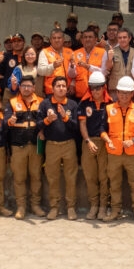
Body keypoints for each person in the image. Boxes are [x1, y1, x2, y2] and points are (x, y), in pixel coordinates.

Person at [101, 76, 134, 223]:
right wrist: (108, 140)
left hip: (132, 154)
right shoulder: (109, 109)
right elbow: (102, 129)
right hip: (113, 154)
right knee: (114, 184)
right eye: (121, 92)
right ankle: (115, 212)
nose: (124, 95)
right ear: (117, 93)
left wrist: (133, 140)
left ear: (132, 93)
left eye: (127, 93)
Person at [37, 76, 80, 220]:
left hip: (69, 145)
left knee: (71, 177)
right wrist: (47, 120)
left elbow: (76, 128)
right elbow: (37, 125)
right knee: (52, 177)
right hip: (52, 146)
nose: (61, 88)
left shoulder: (72, 105)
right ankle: (54, 207)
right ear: (52, 88)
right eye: (58, 86)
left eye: (63, 86)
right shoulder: (45, 104)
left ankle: (71, 207)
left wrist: (65, 117)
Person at [5, 76, 45, 219]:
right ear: (19, 88)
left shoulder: (41, 102)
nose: (26, 88)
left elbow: (45, 121)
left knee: (36, 177)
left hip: (35, 146)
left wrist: (42, 131)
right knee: (19, 178)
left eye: (29, 86)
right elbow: (5, 122)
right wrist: (10, 120)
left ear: (33, 88)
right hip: (18, 146)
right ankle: (21, 207)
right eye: (23, 86)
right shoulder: (12, 102)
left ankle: (35, 206)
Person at [78, 71, 113, 220]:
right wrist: (88, 141)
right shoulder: (84, 103)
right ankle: (94, 205)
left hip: (105, 143)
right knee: (90, 176)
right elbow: (82, 124)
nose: (95, 91)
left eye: (98, 88)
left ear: (104, 87)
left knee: (104, 176)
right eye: (92, 88)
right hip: (89, 142)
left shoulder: (110, 103)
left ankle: (103, 207)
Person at [70, 28, 108, 100]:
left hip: (97, 93)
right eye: (85, 37)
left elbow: (104, 72)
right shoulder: (75, 53)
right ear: (82, 40)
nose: (87, 39)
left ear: (96, 39)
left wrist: (88, 67)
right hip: (80, 94)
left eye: (90, 37)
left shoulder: (103, 52)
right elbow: (72, 75)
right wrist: (71, 67)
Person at [38, 28, 76, 97]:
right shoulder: (44, 52)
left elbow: (76, 71)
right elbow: (40, 71)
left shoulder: (70, 51)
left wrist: (73, 84)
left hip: (68, 91)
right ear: (50, 40)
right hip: (51, 92)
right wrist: (52, 66)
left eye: (59, 38)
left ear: (63, 39)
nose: (56, 40)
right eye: (54, 38)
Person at [107, 27, 134, 101]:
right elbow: (108, 68)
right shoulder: (112, 51)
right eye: (120, 38)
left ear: (129, 38)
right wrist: (109, 59)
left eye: (124, 37)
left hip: (131, 90)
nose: (122, 40)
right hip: (115, 91)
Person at [2, 33, 27, 100]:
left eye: (19, 41)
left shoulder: (28, 56)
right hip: (9, 91)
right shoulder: (6, 56)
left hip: (26, 90)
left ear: (24, 42)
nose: (16, 43)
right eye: (14, 41)